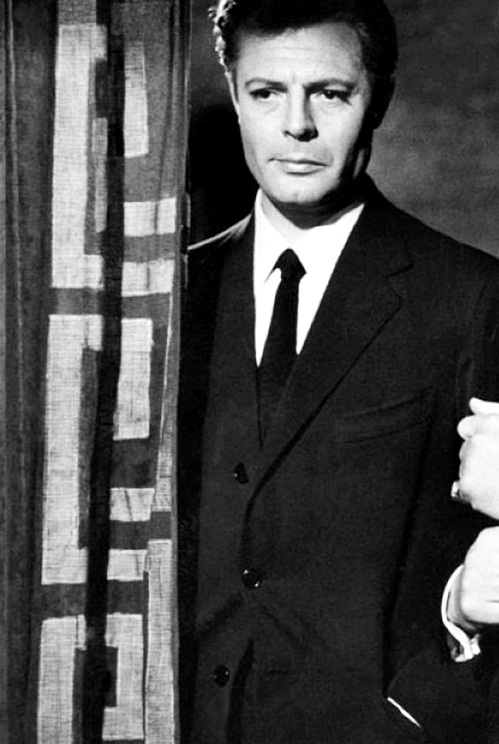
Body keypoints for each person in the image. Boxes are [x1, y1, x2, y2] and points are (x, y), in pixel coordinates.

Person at [178, 1, 499, 742]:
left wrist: (425, 701)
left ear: (377, 100)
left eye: (329, 93)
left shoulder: (471, 298)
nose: (296, 125)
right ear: (235, 98)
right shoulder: (168, 295)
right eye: (266, 93)